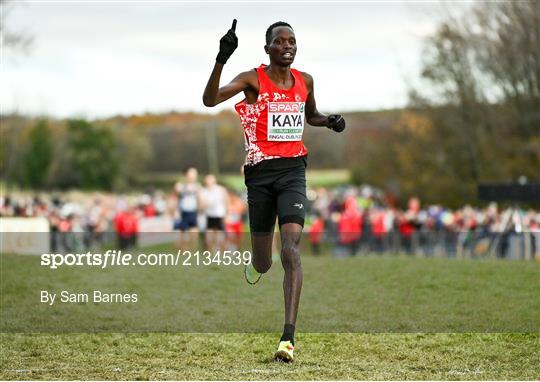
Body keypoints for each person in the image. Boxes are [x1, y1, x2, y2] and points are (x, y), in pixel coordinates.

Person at [203, 19, 346, 362]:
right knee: (266, 261)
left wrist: (328, 121)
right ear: (267, 49)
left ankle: (287, 338)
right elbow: (210, 100)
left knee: (291, 251)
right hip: (260, 174)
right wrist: (221, 59)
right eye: (280, 42)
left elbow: (310, 115)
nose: (287, 46)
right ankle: (256, 264)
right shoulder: (253, 78)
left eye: (292, 41)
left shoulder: (305, 81)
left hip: (293, 170)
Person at [199, 174, 228, 252]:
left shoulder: (220, 189)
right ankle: (211, 253)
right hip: (209, 216)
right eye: (208, 180)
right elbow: (201, 205)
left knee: (220, 238)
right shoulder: (203, 191)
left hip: (219, 216)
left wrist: (227, 214)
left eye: (211, 179)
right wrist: (205, 204)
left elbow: (226, 202)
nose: (209, 181)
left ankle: (221, 253)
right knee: (209, 238)